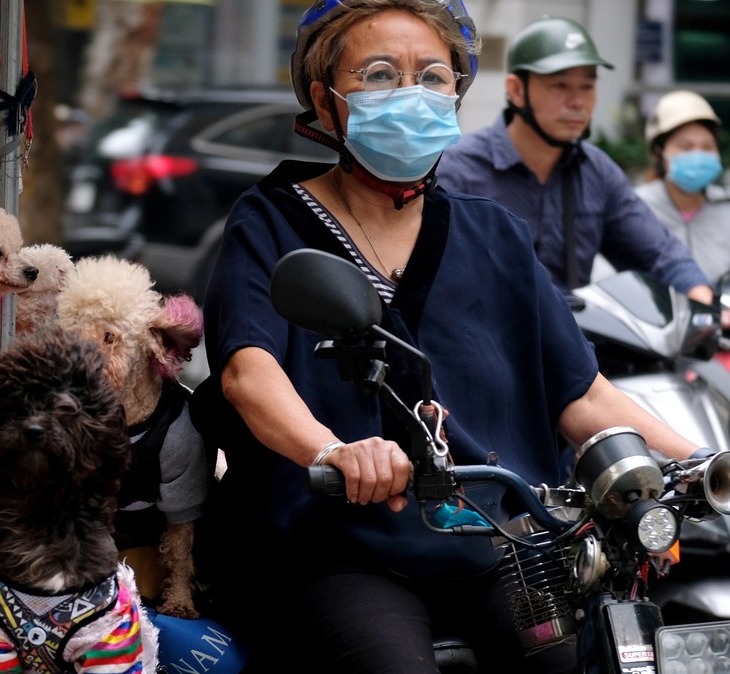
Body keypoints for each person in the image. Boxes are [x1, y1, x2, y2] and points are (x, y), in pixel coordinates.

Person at [191, 1, 702, 672]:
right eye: (379, 74)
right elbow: (248, 373)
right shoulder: (269, 222)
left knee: (591, 660)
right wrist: (336, 452)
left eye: (433, 76)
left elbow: (583, 396)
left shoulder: (494, 234)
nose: (412, 93)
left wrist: (701, 467)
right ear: (325, 98)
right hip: (337, 546)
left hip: (499, 541)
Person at [436, 15, 713, 304]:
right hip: (484, 341)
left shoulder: (597, 172)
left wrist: (705, 301)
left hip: (576, 342)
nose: (578, 102)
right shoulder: (458, 170)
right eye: (560, 86)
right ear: (517, 91)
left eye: (587, 86)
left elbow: (659, 252)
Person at [635, 90, 730, 283]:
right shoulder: (634, 209)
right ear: (658, 153)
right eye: (686, 147)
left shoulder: (726, 207)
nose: (698, 155)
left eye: (707, 147)